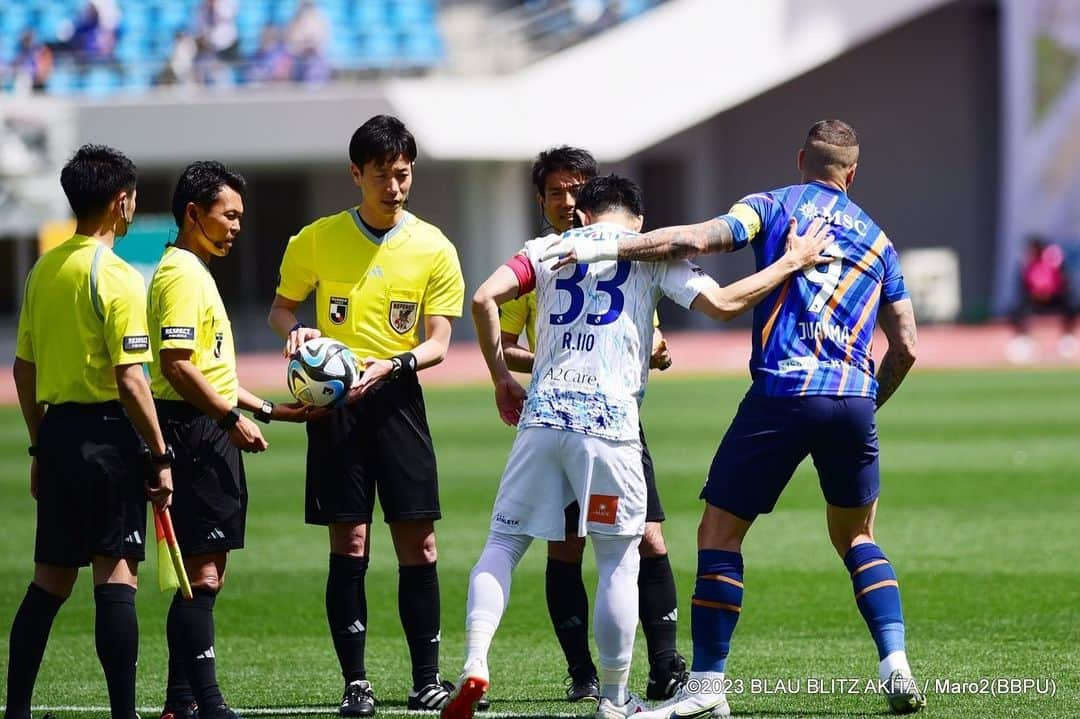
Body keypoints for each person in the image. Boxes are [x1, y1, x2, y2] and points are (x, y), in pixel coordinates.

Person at [543, 120, 925, 716]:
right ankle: (895, 662)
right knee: (856, 534)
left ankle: (709, 686)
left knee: (719, 534)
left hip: (781, 391)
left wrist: (608, 244)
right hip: (851, 397)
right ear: (852, 174)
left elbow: (695, 240)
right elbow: (906, 346)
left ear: (801, 159)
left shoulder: (771, 206)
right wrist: (866, 403)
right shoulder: (878, 241)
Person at [444, 174, 835, 719]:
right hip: (608, 427)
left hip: (543, 418)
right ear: (640, 224)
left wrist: (502, 379)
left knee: (504, 545)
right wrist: (790, 262)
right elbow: (722, 304)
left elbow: (485, 297)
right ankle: (612, 697)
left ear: (583, 215)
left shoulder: (547, 247)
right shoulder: (652, 255)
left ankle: (475, 663)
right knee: (617, 563)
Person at [268, 115, 466, 717]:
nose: (395, 187)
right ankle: (356, 684)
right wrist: (296, 331)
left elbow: (438, 341)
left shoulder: (434, 245)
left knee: (420, 544)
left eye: (403, 175)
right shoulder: (316, 239)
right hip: (336, 411)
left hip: (398, 400)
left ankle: (426, 680)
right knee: (350, 541)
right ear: (356, 175)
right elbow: (281, 309)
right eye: (382, 175)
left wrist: (395, 365)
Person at [499, 146, 683, 704]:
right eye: (556, 191)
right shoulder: (536, 261)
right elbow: (508, 346)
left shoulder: (622, 252)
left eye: (577, 189)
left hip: (617, 422)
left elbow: (641, 329)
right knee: (567, 546)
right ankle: (583, 672)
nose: (568, 200)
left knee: (648, 538)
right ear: (541, 200)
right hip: (557, 414)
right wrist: (555, 358)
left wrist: (653, 345)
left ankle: (666, 663)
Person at [4, 144, 174, 719]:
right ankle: (123, 714)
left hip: (56, 434)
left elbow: (22, 369)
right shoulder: (118, 275)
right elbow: (131, 379)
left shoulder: (43, 268)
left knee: (48, 582)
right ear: (121, 201)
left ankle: (18, 708)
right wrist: (159, 451)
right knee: (116, 577)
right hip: (107, 437)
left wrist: (37, 442)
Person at [149, 161, 321, 719]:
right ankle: (207, 701)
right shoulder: (180, 275)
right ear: (194, 214)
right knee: (200, 574)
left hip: (205, 425)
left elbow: (211, 370)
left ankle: (182, 702)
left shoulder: (194, 271)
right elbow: (176, 367)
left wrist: (271, 410)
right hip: (193, 430)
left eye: (241, 217)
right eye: (229, 215)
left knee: (207, 572)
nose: (237, 226)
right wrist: (226, 419)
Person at [1007, 235, 1078, 362]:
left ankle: (1067, 340)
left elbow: (1065, 283)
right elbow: (1022, 286)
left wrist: (1050, 292)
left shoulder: (1055, 262)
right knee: (1016, 310)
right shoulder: (1026, 264)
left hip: (1054, 298)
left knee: (1071, 306)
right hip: (1034, 299)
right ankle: (1023, 340)